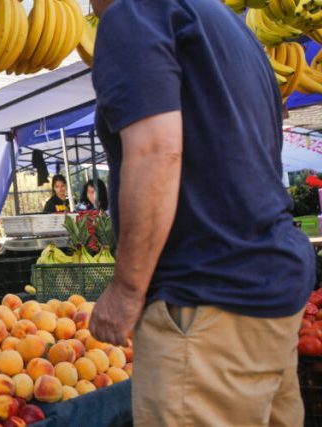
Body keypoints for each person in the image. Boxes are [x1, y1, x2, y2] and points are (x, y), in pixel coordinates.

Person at [87, 1, 315, 426]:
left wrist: (127, 290)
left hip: (206, 296)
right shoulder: (227, 25)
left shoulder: (133, 14)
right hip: (269, 284)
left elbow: (156, 151)